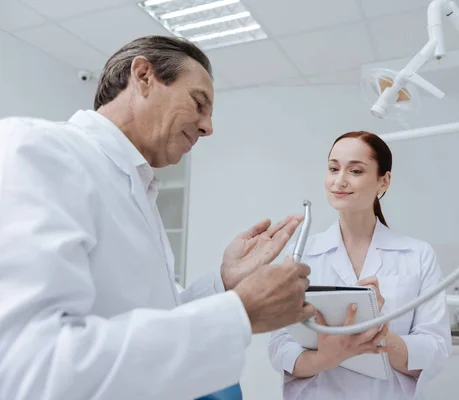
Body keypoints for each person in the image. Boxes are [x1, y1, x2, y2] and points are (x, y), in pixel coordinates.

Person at [0, 35, 316, 400]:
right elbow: (27, 367)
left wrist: (224, 285)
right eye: (199, 104)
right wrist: (238, 313)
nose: (208, 127)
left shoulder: (135, 186)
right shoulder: (40, 150)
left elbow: (152, 314)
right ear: (144, 75)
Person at [268, 131, 451, 399]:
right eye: (333, 168)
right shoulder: (302, 255)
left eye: (355, 170)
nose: (339, 181)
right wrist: (326, 358)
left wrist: (378, 331)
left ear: (383, 181)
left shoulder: (417, 255)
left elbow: (435, 350)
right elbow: (280, 346)